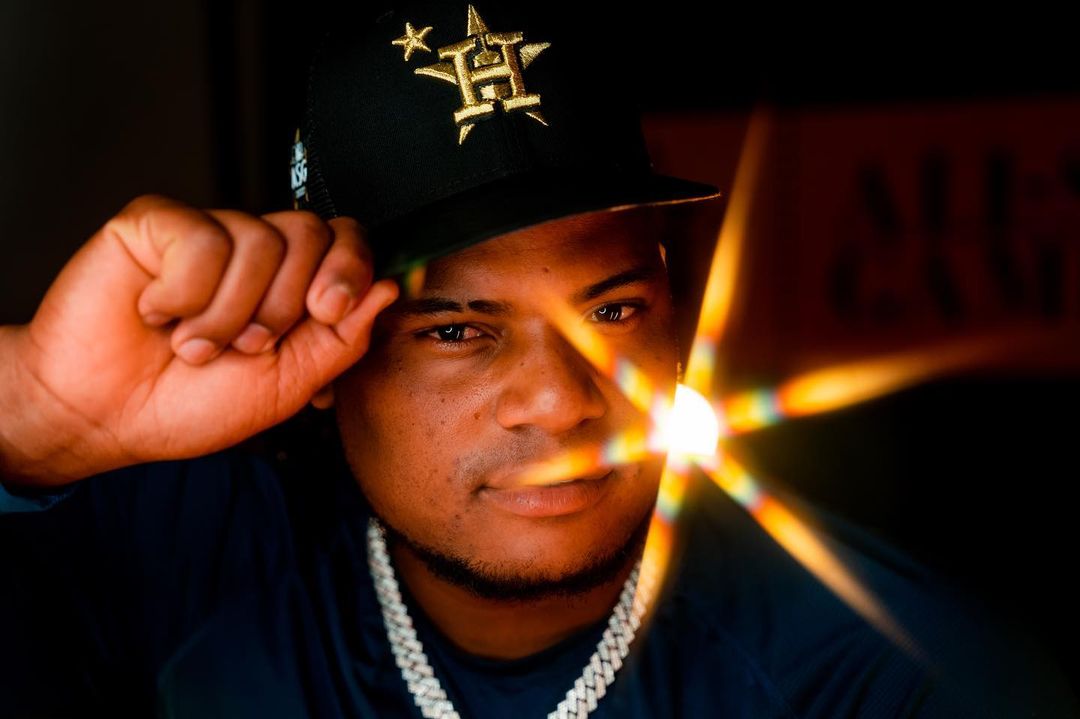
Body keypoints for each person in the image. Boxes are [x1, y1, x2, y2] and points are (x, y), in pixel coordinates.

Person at [1, 2, 1076, 717]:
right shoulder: (196, 551)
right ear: (323, 358)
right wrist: (37, 414)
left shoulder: (894, 672)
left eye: (612, 309)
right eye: (458, 330)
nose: (561, 402)